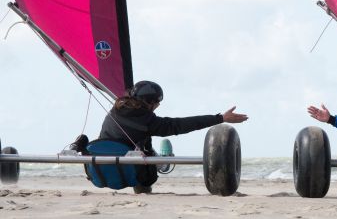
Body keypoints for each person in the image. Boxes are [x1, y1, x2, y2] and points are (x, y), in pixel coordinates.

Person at [71, 80, 248, 193]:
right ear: (150, 102)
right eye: (157, 103)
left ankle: (158, 159)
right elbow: (179, 125)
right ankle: (163, 163)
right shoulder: (147, 120)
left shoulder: (113, 111)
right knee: (143, 148)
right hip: (133, 172)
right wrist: (220, 118)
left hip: (98, 173)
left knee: (136, 144)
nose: (158, 107)